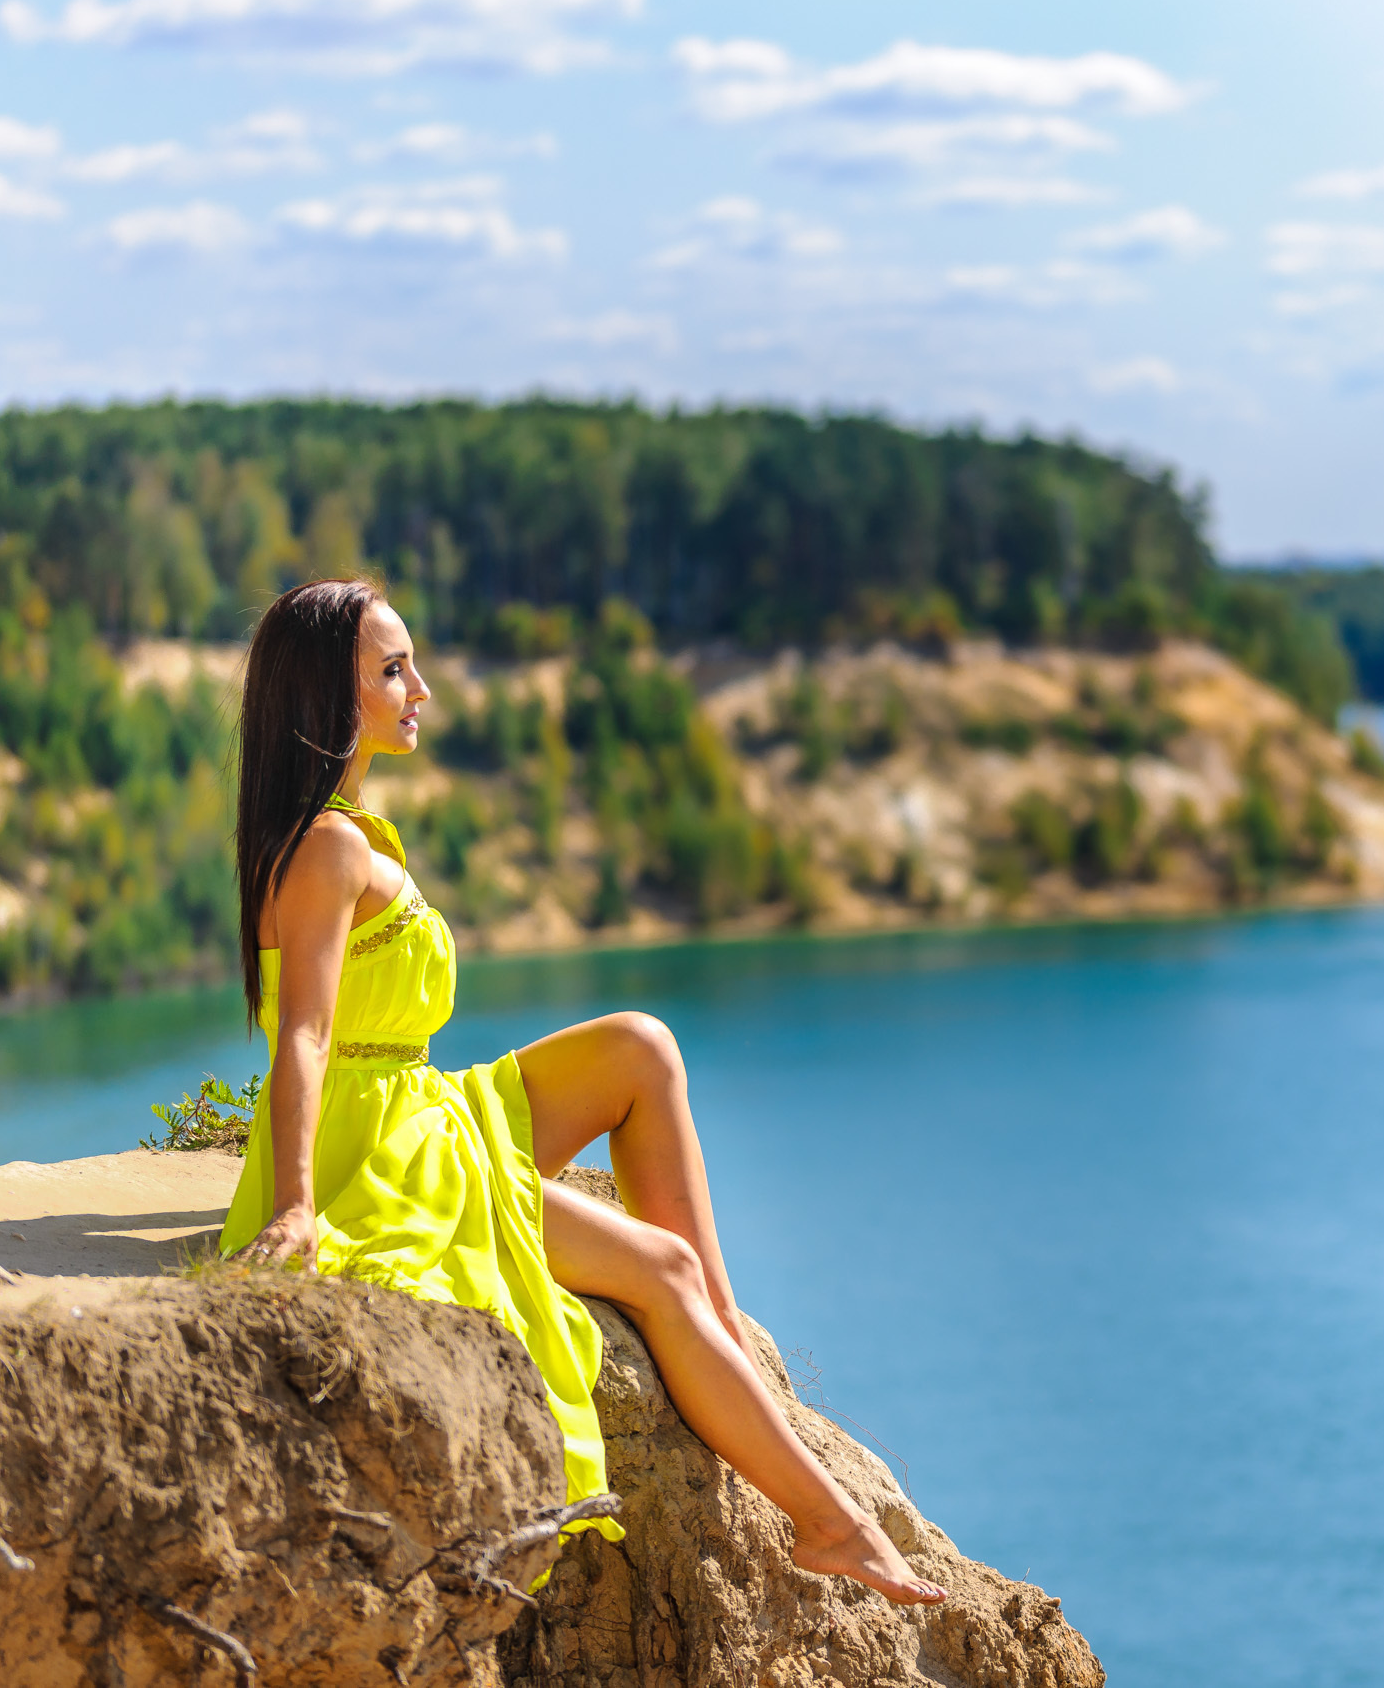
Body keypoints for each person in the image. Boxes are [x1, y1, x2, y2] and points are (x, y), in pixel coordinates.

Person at [219, 577, 945, 1606]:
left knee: (640, 1046)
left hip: (423, 1107)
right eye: (392, 670)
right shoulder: (327, 851)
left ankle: (727, 1333)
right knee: (660, 1264)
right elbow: (303, 1037)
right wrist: (295, 1206)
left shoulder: (348, 828)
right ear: (323, 698)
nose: (419, 688)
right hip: (381, 1151)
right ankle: (832, 1523)